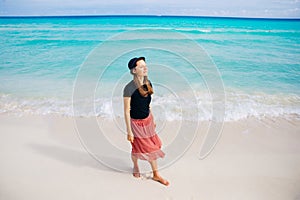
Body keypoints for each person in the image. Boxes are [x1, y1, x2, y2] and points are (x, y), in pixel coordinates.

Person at [123, 57, 169, 186]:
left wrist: (152, 118)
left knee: (150, 147)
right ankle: (138, 166)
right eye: (141, 66)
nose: (145, 68)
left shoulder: (148, 83)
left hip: (148, 120)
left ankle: (154, 173)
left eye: (145, 65)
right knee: (141, 148)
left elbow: (148, 104)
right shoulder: (128, 88)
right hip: (136, 123)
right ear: (134, 70)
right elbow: (126, 110)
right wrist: (129, 131)